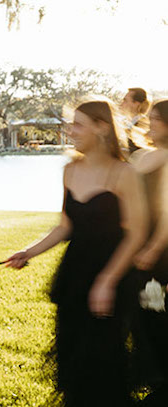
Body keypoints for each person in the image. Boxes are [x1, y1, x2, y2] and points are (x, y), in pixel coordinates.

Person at [5, 99, 147, 406]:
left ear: (102, 128)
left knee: (104, 362)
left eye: (78, 124)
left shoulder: (124, 174)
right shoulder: (69, 170)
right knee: (72, 358)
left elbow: (137, 234)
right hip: (75, 274)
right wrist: (28, 252)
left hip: (113, 274)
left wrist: (107, 281)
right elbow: (65, 226)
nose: (71, 131)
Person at [127, 99, 168, 406]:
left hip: (160, 249)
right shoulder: (141, 155)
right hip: (134, 244)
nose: (149, 123)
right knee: (137, 314)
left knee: (158, 313)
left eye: (156, 119)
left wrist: (154, 247)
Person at [120, 87, 151, 154]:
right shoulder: (125, 122)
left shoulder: (143, 124)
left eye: (125, 100)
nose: (121, 104)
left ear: (136, 104)